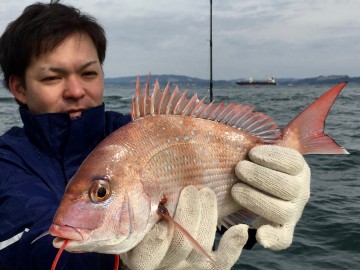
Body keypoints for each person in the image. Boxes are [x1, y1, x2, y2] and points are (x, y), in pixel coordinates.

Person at [0, 1, 311, 269]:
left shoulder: (131, 130)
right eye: (53, 77)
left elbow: (218, 220)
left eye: (89, 73)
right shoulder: (7, 162)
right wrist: (127, 264)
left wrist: (268, 210)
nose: (77, 90)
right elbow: (22, 248)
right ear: (19, 88)